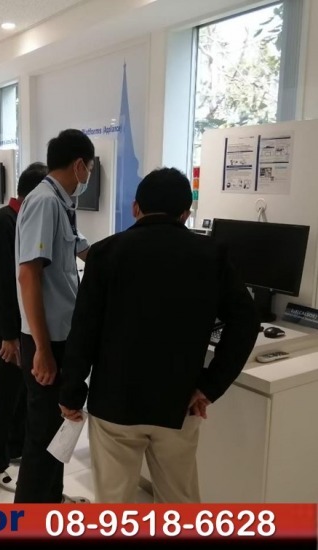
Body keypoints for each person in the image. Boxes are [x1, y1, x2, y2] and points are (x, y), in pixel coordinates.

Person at [59, 167, 260, 503]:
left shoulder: (106, 253)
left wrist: (71, 392)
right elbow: (246, 321)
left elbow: (84, 329)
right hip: (179, 403)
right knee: (179, 500)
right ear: (186, 214)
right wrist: (210, 387)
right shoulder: (211, 255)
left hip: (115, 403)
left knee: (113, 503)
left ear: (136, 208)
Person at [14, 129, 94, 503]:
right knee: (42, 436)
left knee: (57, 429)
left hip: (60, 336)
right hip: (46, 340)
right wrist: (42, 350)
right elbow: (29, 275)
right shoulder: (44, 202)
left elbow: (80, 249)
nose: (88, 175)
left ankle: (51, 501)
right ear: (79, 165)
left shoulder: (62, 204)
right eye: (89, 168)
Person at [0, 162, 49, 492]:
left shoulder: (23, 221)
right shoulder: (2, 223)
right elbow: (0, 284)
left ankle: (14, 447)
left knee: (20, 391)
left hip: (22, 327)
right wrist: (7, 336)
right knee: (4, 394)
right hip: (8, 330)